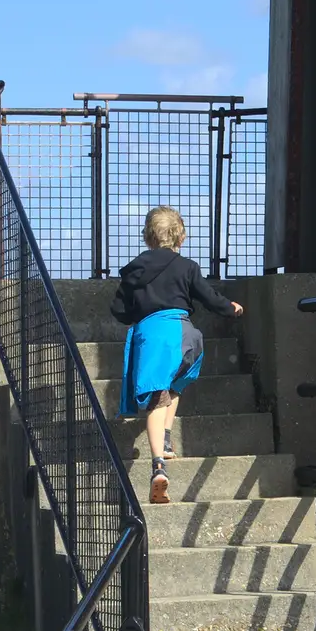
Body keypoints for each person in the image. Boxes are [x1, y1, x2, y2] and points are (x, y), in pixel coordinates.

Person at [111, 205, 243, 504]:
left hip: (155, 334)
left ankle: (158, 466)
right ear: (180, 236)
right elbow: (209, 297)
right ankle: (167, 437)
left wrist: (139, 310)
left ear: (148, 236)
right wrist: (230, 307)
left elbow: (119, 310)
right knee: (174, 383)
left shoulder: (134, 270)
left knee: (156, 399)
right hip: (186, 334)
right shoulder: (186, 266)